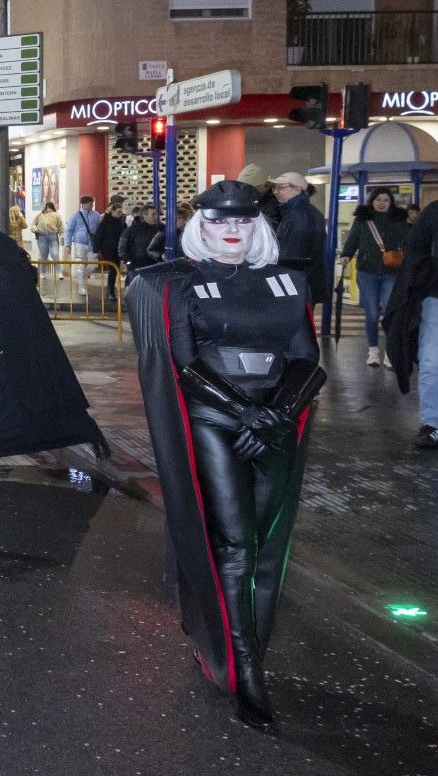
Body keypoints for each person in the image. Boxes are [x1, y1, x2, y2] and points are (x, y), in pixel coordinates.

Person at [125, 180, 325, 728]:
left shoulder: (290, 280)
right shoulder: (182, 284)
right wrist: (244, 413)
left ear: (257, 226)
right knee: (235, 544)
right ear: (202, 226)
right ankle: (246, 677)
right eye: (219, 222)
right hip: (215, 421)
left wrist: (277, 414)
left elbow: (308, 359)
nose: (232, 231)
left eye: (242, 222)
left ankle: (237, 650)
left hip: (275, 421)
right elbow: (183, 365)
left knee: (264, 546)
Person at [0, 225, 108, 468]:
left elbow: (11, 317)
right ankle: (88, 435)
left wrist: (1, 348)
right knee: (50, 398)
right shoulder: (8, 269)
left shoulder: (3, 277)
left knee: (1, 400)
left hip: (15, 352)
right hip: (31, 349)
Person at [383, 200, 438, 448]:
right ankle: (433, 423)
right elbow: (414, 250)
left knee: (432, 361)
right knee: (432, 361)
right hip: (435, 297)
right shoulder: (434, 212)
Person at [339, 186, 407, 367]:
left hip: (391, 272)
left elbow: (408, 240)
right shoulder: (363, 219)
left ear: (391, 202)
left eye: (386, 200)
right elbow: (353, 238)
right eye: (378, 200)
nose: (382, 203)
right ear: (372, 201)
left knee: (389, 312)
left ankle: (390, 353)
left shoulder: (399, 218)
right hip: (367, 271)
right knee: (372, 313)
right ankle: (373, 351)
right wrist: (346, 254)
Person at [272, 172, 329, 308]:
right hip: (306, 282)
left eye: (281, 187)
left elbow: (292, 256)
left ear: (297, 189)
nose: (276, 192)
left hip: (296, 283)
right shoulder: (306, 212)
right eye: (275, 188)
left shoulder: (297, 216)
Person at [64, 195, 102, 287]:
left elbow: (100, 229)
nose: (92, 205)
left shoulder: (96, 215)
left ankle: (83, 278)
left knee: (94, 264)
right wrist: (68, 244)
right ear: (83, 204)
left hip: (92, 243)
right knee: (81, 265)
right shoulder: (75, 216)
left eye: (92, 203)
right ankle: (81, 286)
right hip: (80, 243)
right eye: (90, 203)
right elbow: (69, 230)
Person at [95, 202, 127, 306]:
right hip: (108, 249)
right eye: (118, 212)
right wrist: (97, 250)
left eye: (121, 212)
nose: (120, 214)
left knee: (115, 269)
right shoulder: (104, 223)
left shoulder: (122, 222)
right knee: (113, 269)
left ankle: (111, 289)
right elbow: (99, 236)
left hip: (118, 249)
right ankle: (111, 291)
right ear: (112, 211)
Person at [120, 205, 166, 277]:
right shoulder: (132, 230)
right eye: (153, 214)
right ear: (145, 215)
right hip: (137, 266)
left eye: (156, 214)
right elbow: (123, 247)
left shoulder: (162, 228)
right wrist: (128, 263)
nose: (156, 216)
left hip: (157, 265)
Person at [31, 202, 63, 282]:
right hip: (42, 237)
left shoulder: (56, 215)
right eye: (46, 207)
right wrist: (35, 229)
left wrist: (62, 237)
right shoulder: (40, 215)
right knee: (43, 255)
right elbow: (33, 224)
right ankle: (42, 272)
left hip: (53, 237)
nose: (48, 208)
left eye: (49, 207)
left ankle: (59, 272)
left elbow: (61, 227)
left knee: (55, 254)